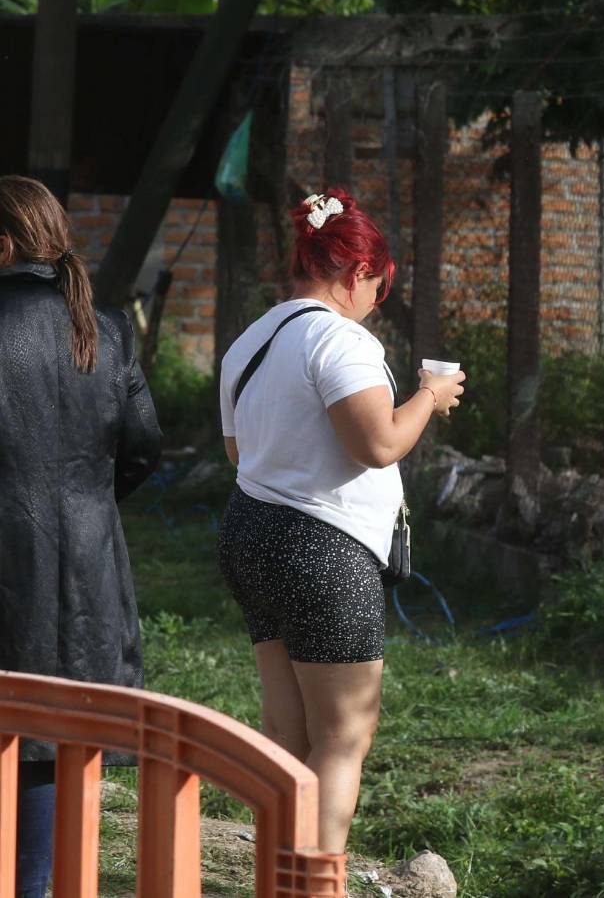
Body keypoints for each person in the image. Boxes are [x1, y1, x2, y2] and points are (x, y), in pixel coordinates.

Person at [215, 188, 465, 855]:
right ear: (357, 274)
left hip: (251, 535)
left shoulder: (251, 339)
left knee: (286, 727)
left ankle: (279, 870)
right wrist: (429, 396)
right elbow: (378, 444)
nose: (372, 306)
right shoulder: (340, 340)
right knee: (342, 735)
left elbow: (240, 450)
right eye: (378, 291)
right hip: (321, 551)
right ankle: (314, 880)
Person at [0, 175, 162, 898]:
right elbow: (143, 450)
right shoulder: (108, 329)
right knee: (52, 776)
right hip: (87, 588)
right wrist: (89, 502)